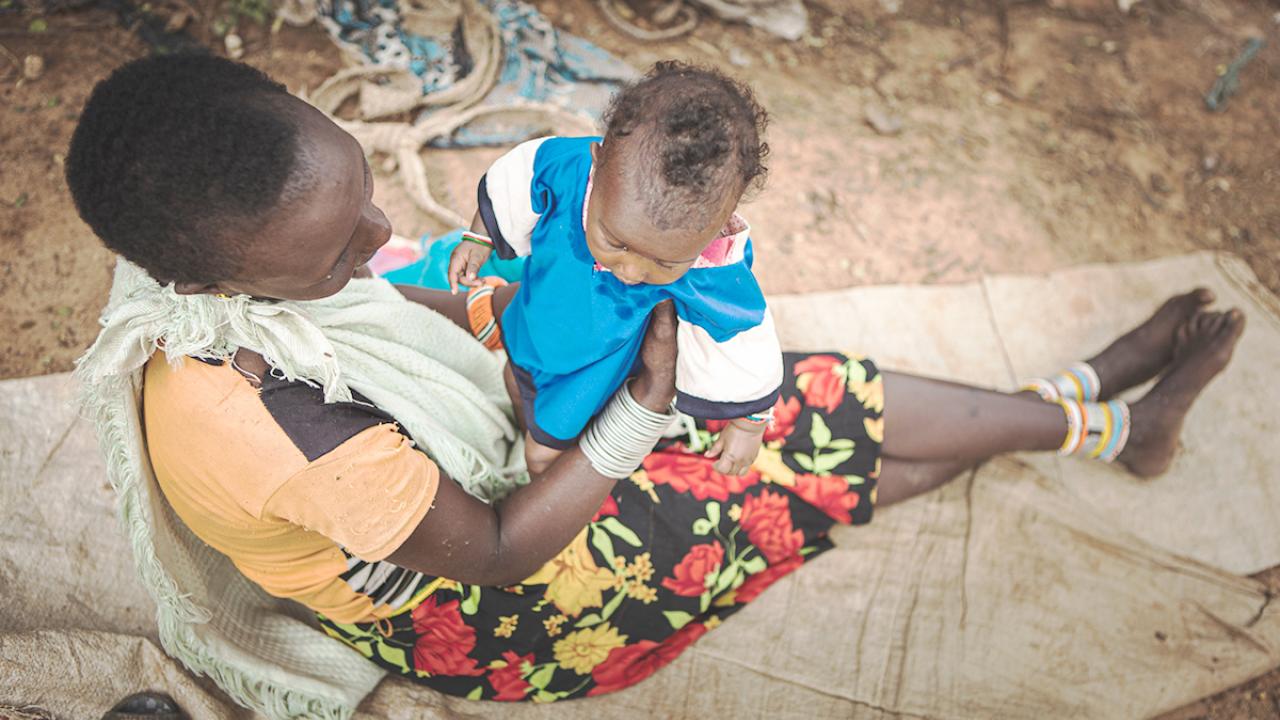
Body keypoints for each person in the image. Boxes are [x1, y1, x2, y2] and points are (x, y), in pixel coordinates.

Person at [64, 54, 1244, 703]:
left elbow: (393, 288)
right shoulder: (282, 428)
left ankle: (1087, 407)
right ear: (217, 277)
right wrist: (631, 415)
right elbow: (495, 550)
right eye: (338, 243)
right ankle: (1096, 418)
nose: (377, 227)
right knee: (786, 455)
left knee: (798, 405)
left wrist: (483, 297)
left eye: (362, 187)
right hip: (484, 602)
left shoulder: (250, 278)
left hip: (490, 483)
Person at [447, 62, 781, 479]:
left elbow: (744, 336)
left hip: (587, 376)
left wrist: (749, 424)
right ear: (598, 160)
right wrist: (479, 237)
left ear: (720, 221)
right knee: (514, 380)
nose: (631, 271)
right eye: (617, 243)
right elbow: (518, 179)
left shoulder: (710, 262)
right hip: (531, 326)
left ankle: (539, 495)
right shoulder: (568, 169)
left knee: (544, 454)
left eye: (663, 262)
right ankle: (522, 422)